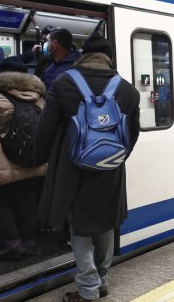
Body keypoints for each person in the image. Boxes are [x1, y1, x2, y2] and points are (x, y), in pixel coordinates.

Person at [33, 32, 140, 302]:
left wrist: (40, 156)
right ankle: (101, 280)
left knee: (79, 225)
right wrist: (115, 157)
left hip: (72, 167)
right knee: (105, 221)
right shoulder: (127, 89)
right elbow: (133, 133)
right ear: (108, 59)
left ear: (83, 56)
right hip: (110, 167)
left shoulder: (64, 82)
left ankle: (88, 289)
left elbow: (46, 128)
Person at [0, 57, 47, 260]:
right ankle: (29, 242)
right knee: (29, 202)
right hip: (33, 157)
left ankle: (13, 245)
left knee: (0, 203)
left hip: (0, 159)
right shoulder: (38, 96)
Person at [41, 28, 82, 92]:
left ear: (55, 44)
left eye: (47, 41)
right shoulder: (51, 66)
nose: (45, 44)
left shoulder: (74, 69)